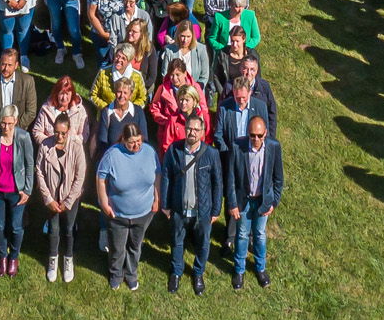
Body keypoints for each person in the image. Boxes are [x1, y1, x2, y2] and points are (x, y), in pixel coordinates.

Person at [162, 110, 223, 294]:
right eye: (189, 128)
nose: (192, 133)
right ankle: (176, 272)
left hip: (202, 210)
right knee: (177, 241)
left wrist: (216, 210)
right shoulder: (174, 150)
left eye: (196, 130)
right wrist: (165, 205)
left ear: (202, 131)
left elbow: (217, 183)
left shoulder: (211, 154)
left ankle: (198, 273)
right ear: (184, 129)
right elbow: (166, 177)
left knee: (203, 244)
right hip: (179, 208)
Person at [95, 120, 159, 290]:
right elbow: (100, 178)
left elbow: (157, 175)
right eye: (132, 142)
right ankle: (116, 274)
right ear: (123, 139)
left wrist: (157, 199)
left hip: (143, 213)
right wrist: (103, 202)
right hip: (118, 215)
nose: (136, 145)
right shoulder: (112, 154)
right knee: (117, 248)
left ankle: (131, 274)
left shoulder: (150, 152)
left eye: (139, 141)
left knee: (135, 246)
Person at [224, 113, 283, 288]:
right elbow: (231, 178)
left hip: (262, 201)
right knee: (242, 235)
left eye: (259, 135)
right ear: (247, 134)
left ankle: (260, 268)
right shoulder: (237, 146)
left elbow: (278, 178)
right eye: (252, 135)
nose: (256, 139)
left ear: (266, 133)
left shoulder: (274, 147)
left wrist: (273, 202)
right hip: (244, 200)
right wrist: (232, 203)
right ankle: (239, 270)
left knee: (260, 235)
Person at [35, 109, 90, 283]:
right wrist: (48, 199)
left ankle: (68, 258)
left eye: (63, 133)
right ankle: (53, 259)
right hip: (52, 199)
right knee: (54, 229)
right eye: (56, 132)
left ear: (69, 131)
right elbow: (39, 172)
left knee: (68, 229)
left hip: (70, 199)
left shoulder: (76, 147)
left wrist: (68, 201)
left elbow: (80, 176)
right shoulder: (45, 146)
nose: (59, 136)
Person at [0, 109, 35, 276]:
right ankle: (3, 255)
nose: (6, 127)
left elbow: (30, 165)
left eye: (10, 123)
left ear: (16, 122)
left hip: (16, 192)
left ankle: (14, 256)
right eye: (3, 123)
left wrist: (27, 189)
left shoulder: (24, 138)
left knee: (16, 227)